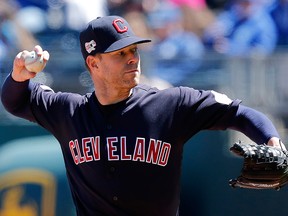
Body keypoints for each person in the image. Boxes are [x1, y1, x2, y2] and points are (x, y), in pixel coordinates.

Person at [1, 15, 286, 216]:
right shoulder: (69, 111)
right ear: (93, 63)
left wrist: (272, 141)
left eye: (134, 49)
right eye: (120, 53)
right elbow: (14, 102)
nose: (133, 58)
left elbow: (239, 113)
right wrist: (18, 76)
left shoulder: (170, 104)